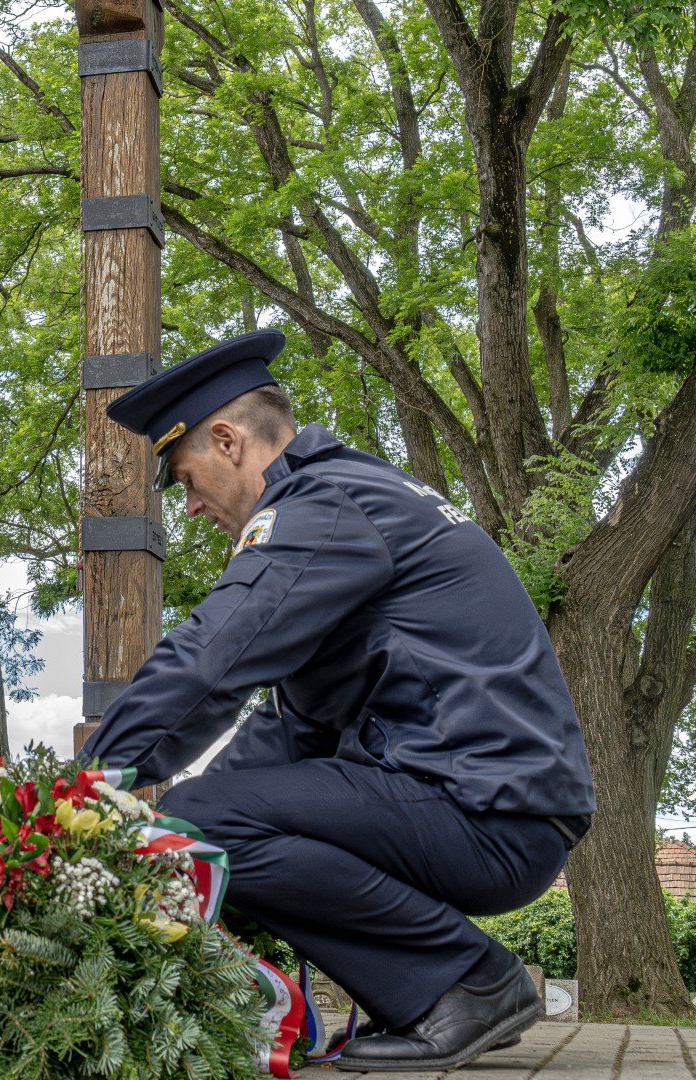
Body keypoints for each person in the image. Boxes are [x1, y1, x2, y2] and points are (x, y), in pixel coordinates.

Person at [79, 328, 594, 1072]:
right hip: (493, 803)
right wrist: (170, 832)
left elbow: (211, 656)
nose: (189, 507)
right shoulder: (352, 497)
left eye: (187, 480)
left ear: (227, 441)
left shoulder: (321, 506)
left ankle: (466, 983)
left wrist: (88, 791)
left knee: (201, 821)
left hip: (485, 811)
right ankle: (438, 991)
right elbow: (298, 724)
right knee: (200, 821)